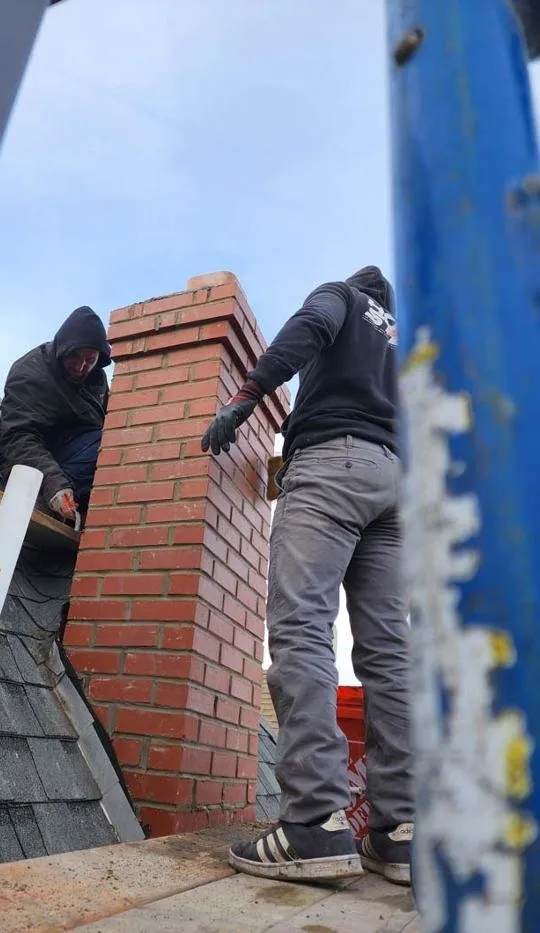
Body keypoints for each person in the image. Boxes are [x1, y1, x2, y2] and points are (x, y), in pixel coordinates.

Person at [201, 267, 413, 886]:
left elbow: (309, 328)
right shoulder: (407, 340)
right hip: (398, 485)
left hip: (333, 463)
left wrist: (244, 400)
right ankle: (400, 835)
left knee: (300, 631)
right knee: (390, 655)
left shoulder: (340, 298)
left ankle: (314, 823)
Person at [0, 306, 111, 524]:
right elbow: (17, 438)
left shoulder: (96, 379)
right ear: (63, 348)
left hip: (77, 453)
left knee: (119, 440)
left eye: (90, 360)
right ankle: (48, 502)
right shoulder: (31, 373)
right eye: (75, 357)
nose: (80, 367)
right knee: (107, 443)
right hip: (33, 462)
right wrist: (55, 484)